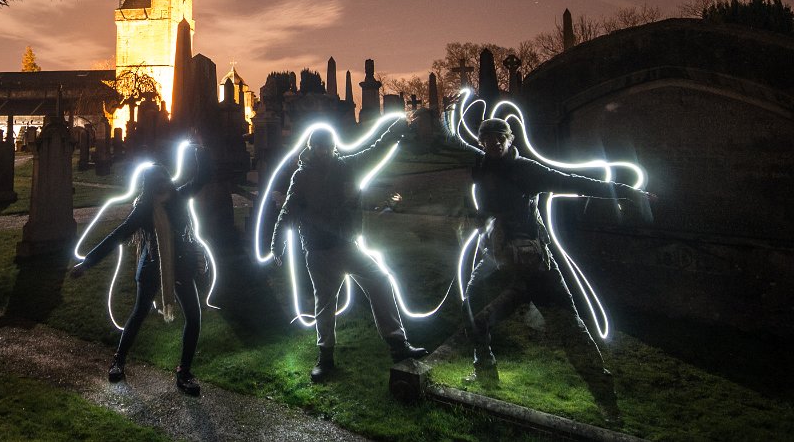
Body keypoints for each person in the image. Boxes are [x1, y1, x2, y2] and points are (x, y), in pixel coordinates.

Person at [463, 117, 652, 421]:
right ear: (481, 142)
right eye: (488, 139)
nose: (494, 143)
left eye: (500, 137)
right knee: (473, 308)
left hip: (534, 263)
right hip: (499, 259)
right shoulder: (480, 167)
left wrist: (626, 192)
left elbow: (571, 182)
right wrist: (477, 220)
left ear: (510, 139)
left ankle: (606, 400)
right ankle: (484, 372)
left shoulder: (526, 170)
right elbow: (480, 205)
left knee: (569, 328)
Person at [270, 123, 427, 383]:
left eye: (328, 146)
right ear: (312, 148)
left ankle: (398, 344)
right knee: (325, 304)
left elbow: (374, 151)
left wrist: (392, 133)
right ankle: (325, 358)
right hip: (319, 250)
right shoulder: (302, 176)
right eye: (319, 147)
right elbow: (289, 209)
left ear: (334, 147)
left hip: (346, 245)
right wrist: (277, 242)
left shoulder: (345, 166)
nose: (324, 151)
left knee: (380, 280)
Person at [72, 153, 209, 396]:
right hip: (151, 267)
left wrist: (200, 151)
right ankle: (119, 360)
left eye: (164, 179)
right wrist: (88, 262)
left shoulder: (178, 197)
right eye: (158, 181)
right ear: (150, 184)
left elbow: (202, 178)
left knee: (194, 317)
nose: (163, 184)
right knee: (139, 313)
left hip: (180, 266)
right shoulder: (144, 209)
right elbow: (118, 235)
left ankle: (184, 372)